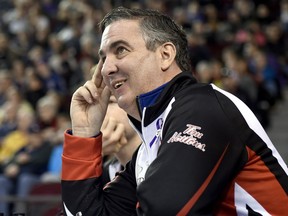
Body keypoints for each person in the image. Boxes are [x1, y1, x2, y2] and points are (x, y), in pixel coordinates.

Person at [61, 7, 288, 216]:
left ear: (165, 55)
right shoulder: (147, 151)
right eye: (103, 57)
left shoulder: (203, 109)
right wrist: (84, 135)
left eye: (120, 50)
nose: (107, 68)